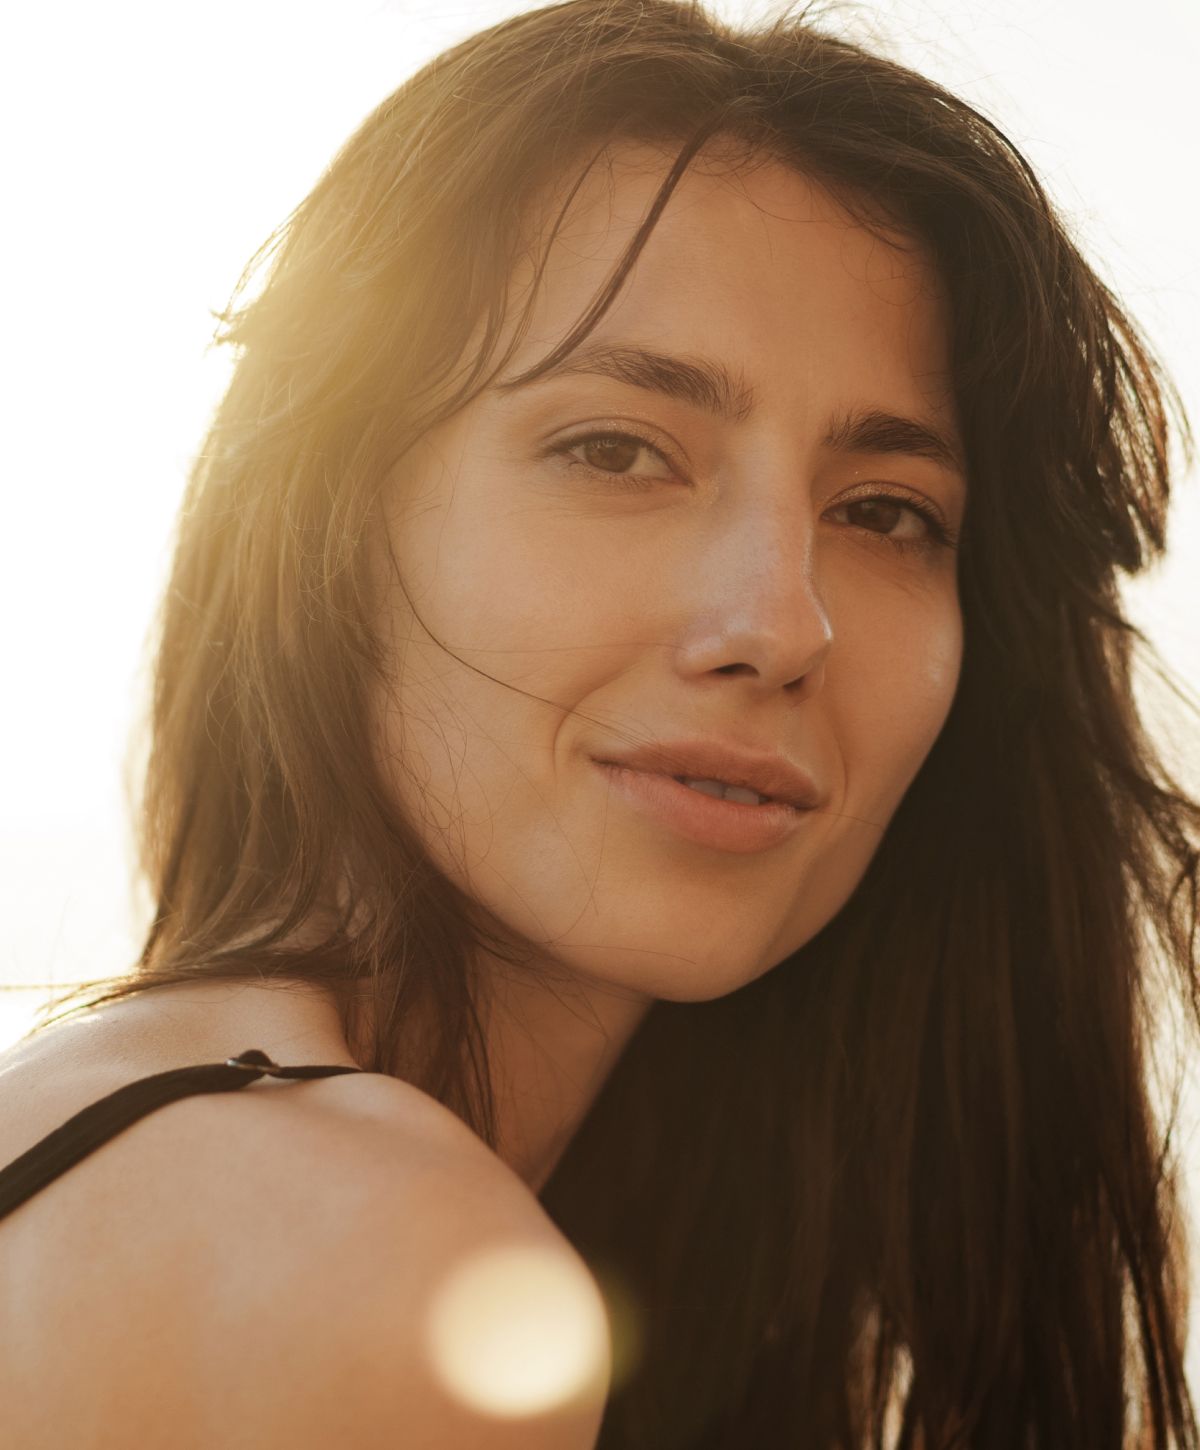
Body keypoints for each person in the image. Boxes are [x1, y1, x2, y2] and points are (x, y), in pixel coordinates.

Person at [1, 0, 1196, 1444]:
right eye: (617, 450)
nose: (779, 622)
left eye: (885, 511)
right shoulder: (373, 1268)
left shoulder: (149, 1136)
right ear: (327, 529)